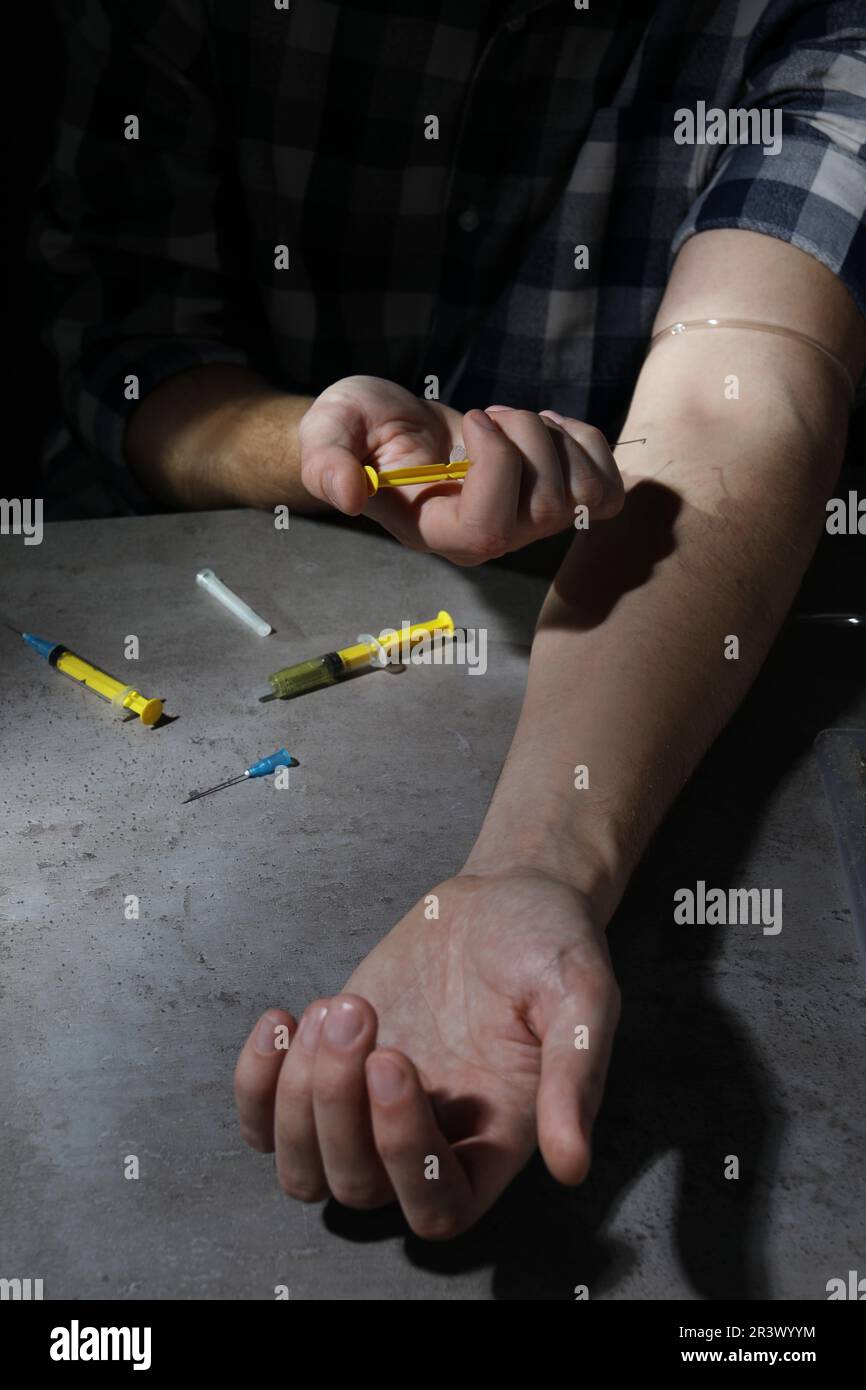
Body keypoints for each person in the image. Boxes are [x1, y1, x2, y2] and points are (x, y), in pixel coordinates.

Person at [37, 1, 866, 1239]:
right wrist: (322, 448)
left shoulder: (794, 23)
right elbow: (133, 356)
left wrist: (532, 864)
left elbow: (739, 409)